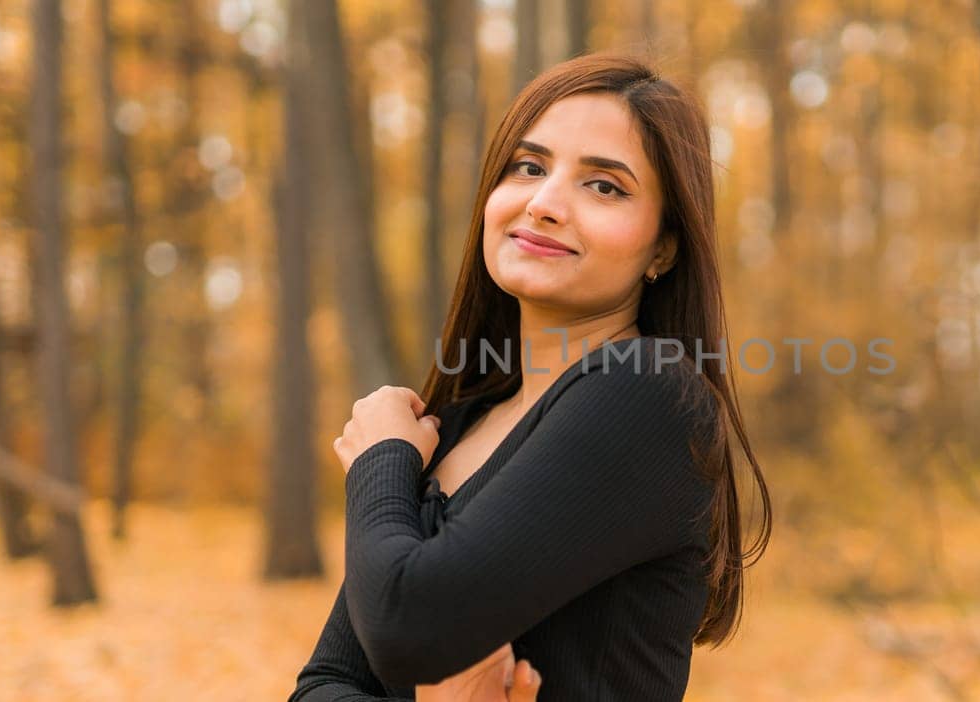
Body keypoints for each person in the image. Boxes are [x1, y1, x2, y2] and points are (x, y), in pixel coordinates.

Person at [288, 53, 770, 702]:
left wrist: (381, 459)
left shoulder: (649, 394)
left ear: (663, 247)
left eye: (604, 185)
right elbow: (323, 684)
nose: (544, 203)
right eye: (529, 167)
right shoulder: (458, 416)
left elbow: (409, 627)